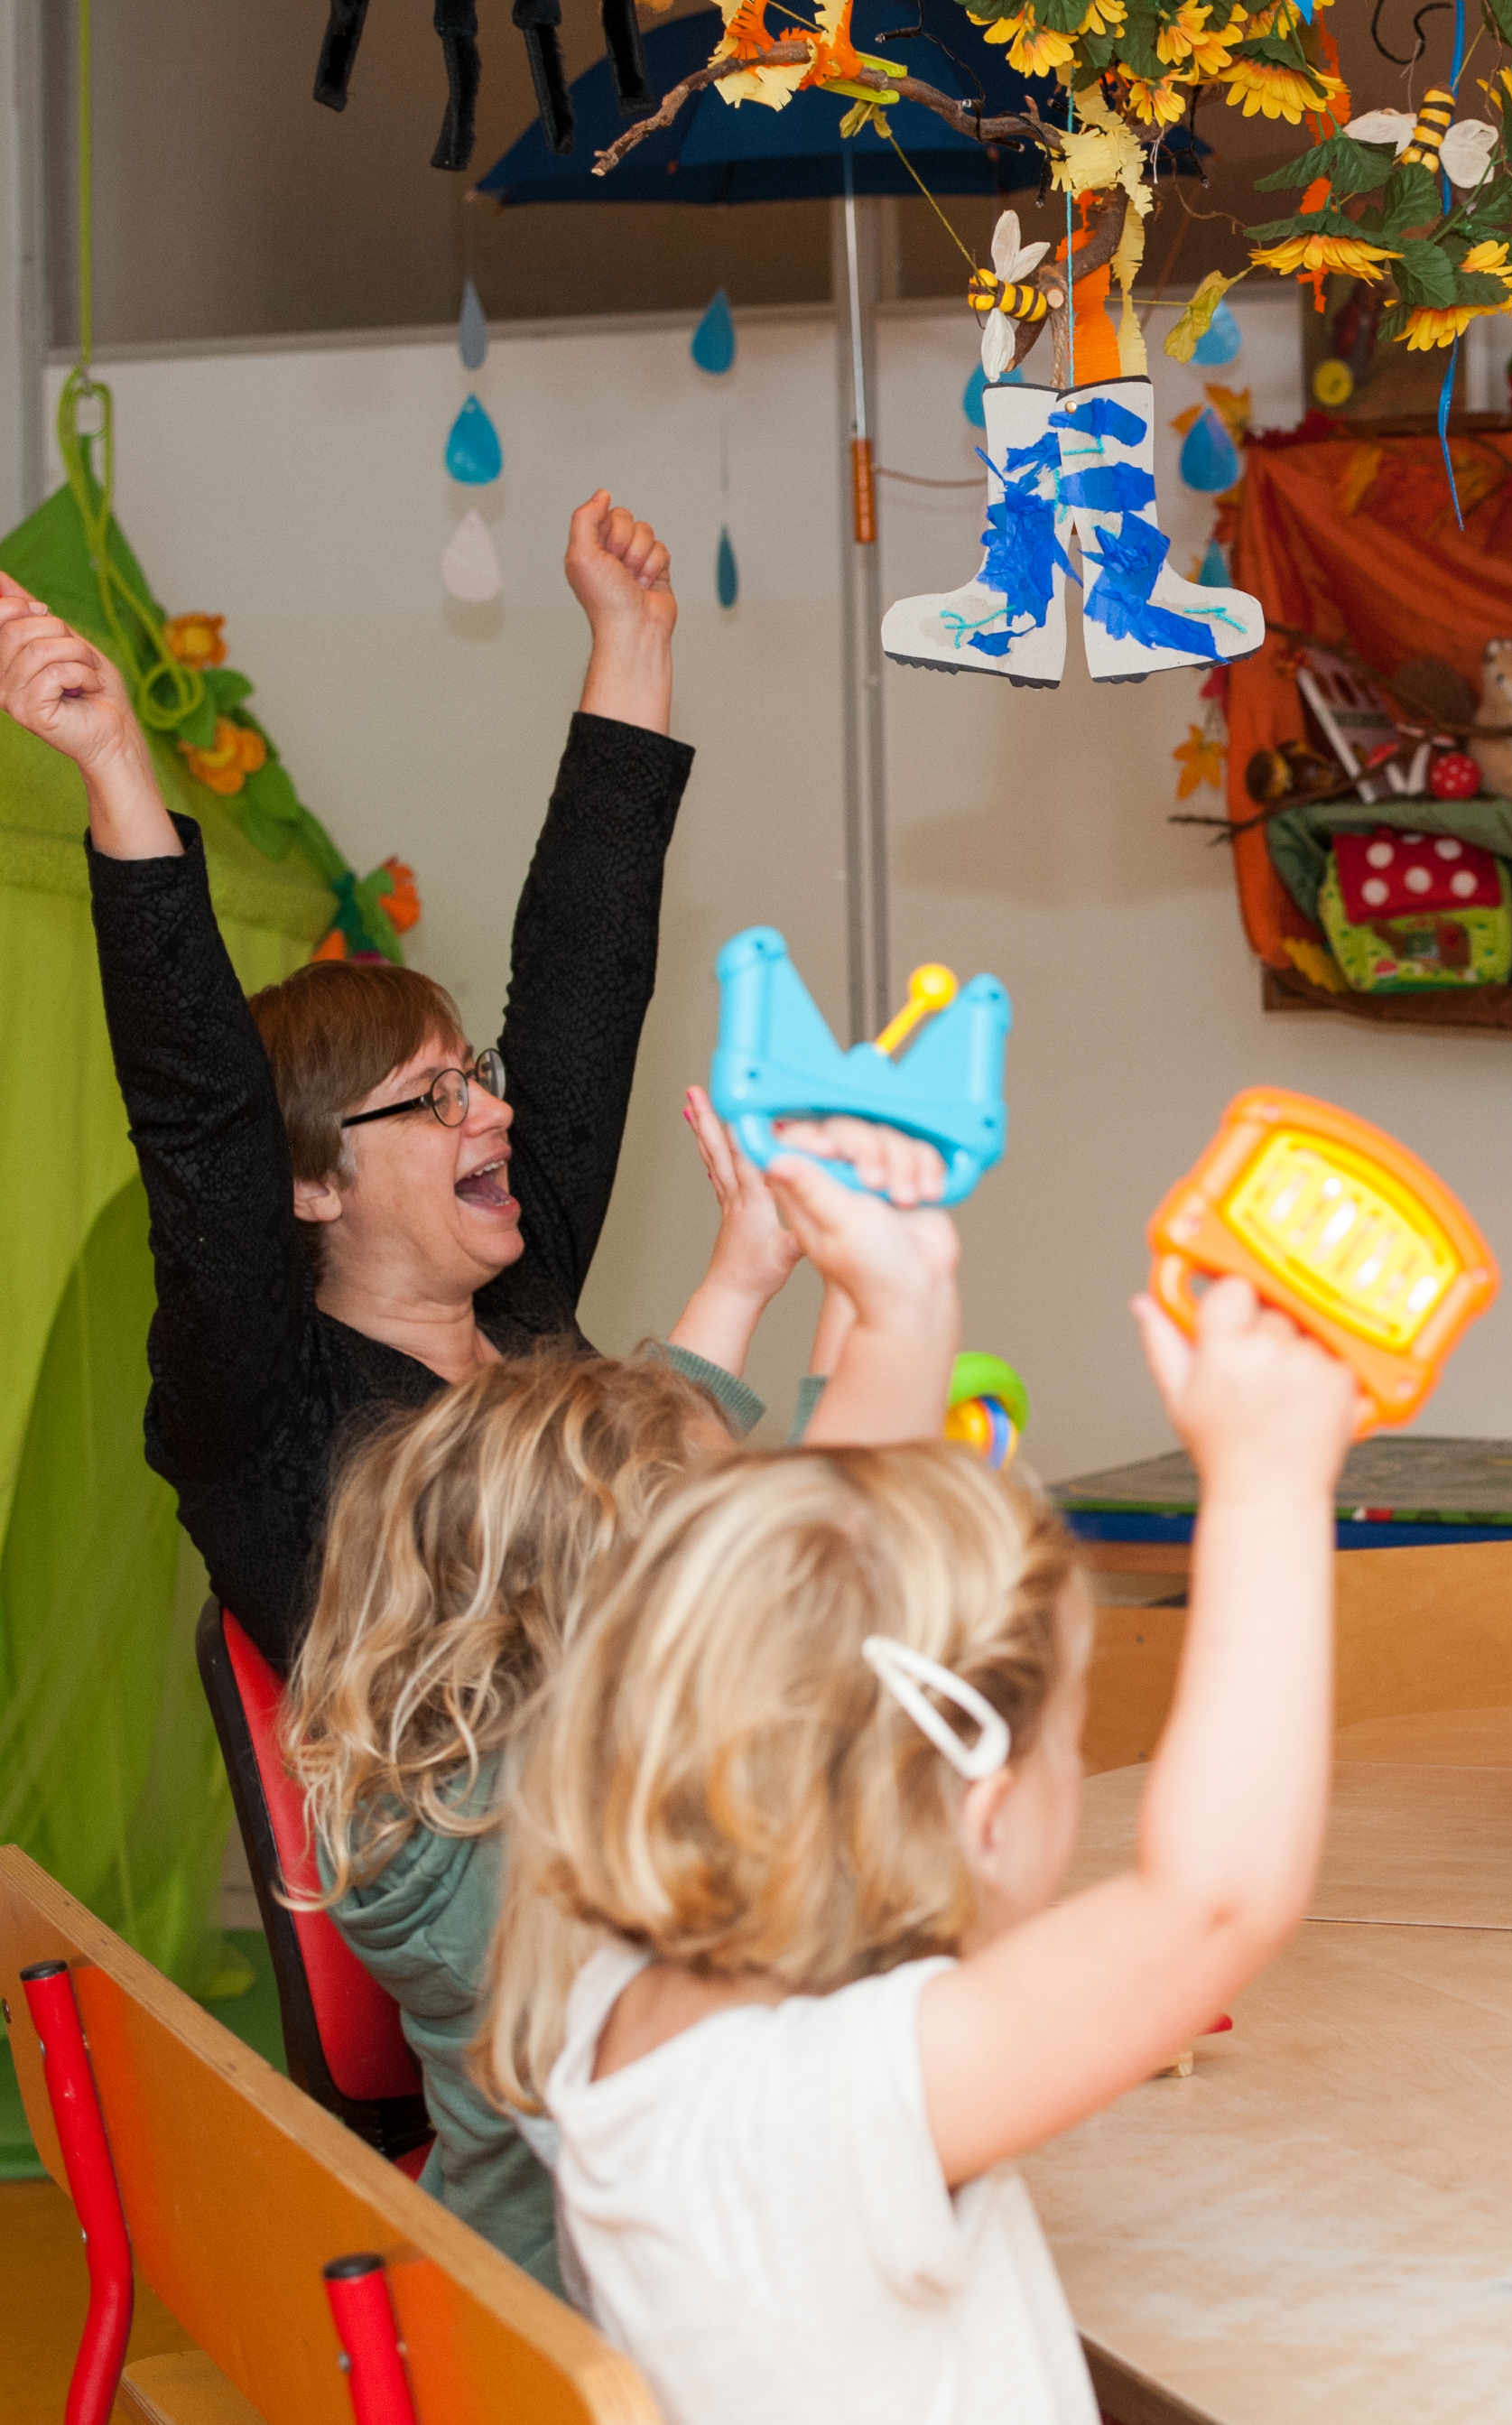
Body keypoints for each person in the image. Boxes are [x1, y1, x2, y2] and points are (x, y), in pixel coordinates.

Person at [478, 1270, 1351, 2423]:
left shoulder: (624, 1993)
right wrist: (1269, 1485)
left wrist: (907, 1304)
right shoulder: (829, 2109)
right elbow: (1215, 1897)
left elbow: (803, 1595)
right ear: (984, 1820)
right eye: (1072, 1744)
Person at [3, 493, 691, 1671]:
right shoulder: (267, 1408)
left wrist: (630, 642)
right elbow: (204, 1126)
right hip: (477, 1851)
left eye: (472, 1075)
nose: (496, 1109)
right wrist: (115, 760)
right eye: (437, 1097)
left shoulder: (525, 1290)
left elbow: (590, 971)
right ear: (314, 1183)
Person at [282, 1143, 960, 2292]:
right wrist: (888, 1302)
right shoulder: (602, 1849)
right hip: (617, 2334)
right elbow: (847, 1536)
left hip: (489, 2310)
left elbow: (784, 1494)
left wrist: (843, 1293)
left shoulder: (440, 1804)